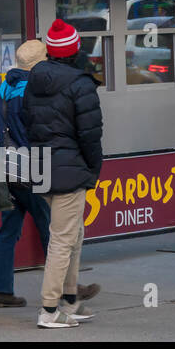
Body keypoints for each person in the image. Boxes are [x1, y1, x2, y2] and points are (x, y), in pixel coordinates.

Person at [25, 19, 104, 329]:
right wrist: (93, 168)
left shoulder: (34, 79)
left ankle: (70, 301)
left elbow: (27, 120)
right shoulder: (81, 84)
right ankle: (48, 309)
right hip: (70, 169)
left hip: (42, 165)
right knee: (63, 239)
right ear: (74, 50)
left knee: (73, 234)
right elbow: (90, 135)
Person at [0, 39, 53, 308]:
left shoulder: (2, 90)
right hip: (34, 169)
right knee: (53, 230)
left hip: (7, 168)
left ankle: (0, 291)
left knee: (7, 230)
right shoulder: (38, 90)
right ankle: (66, 288)